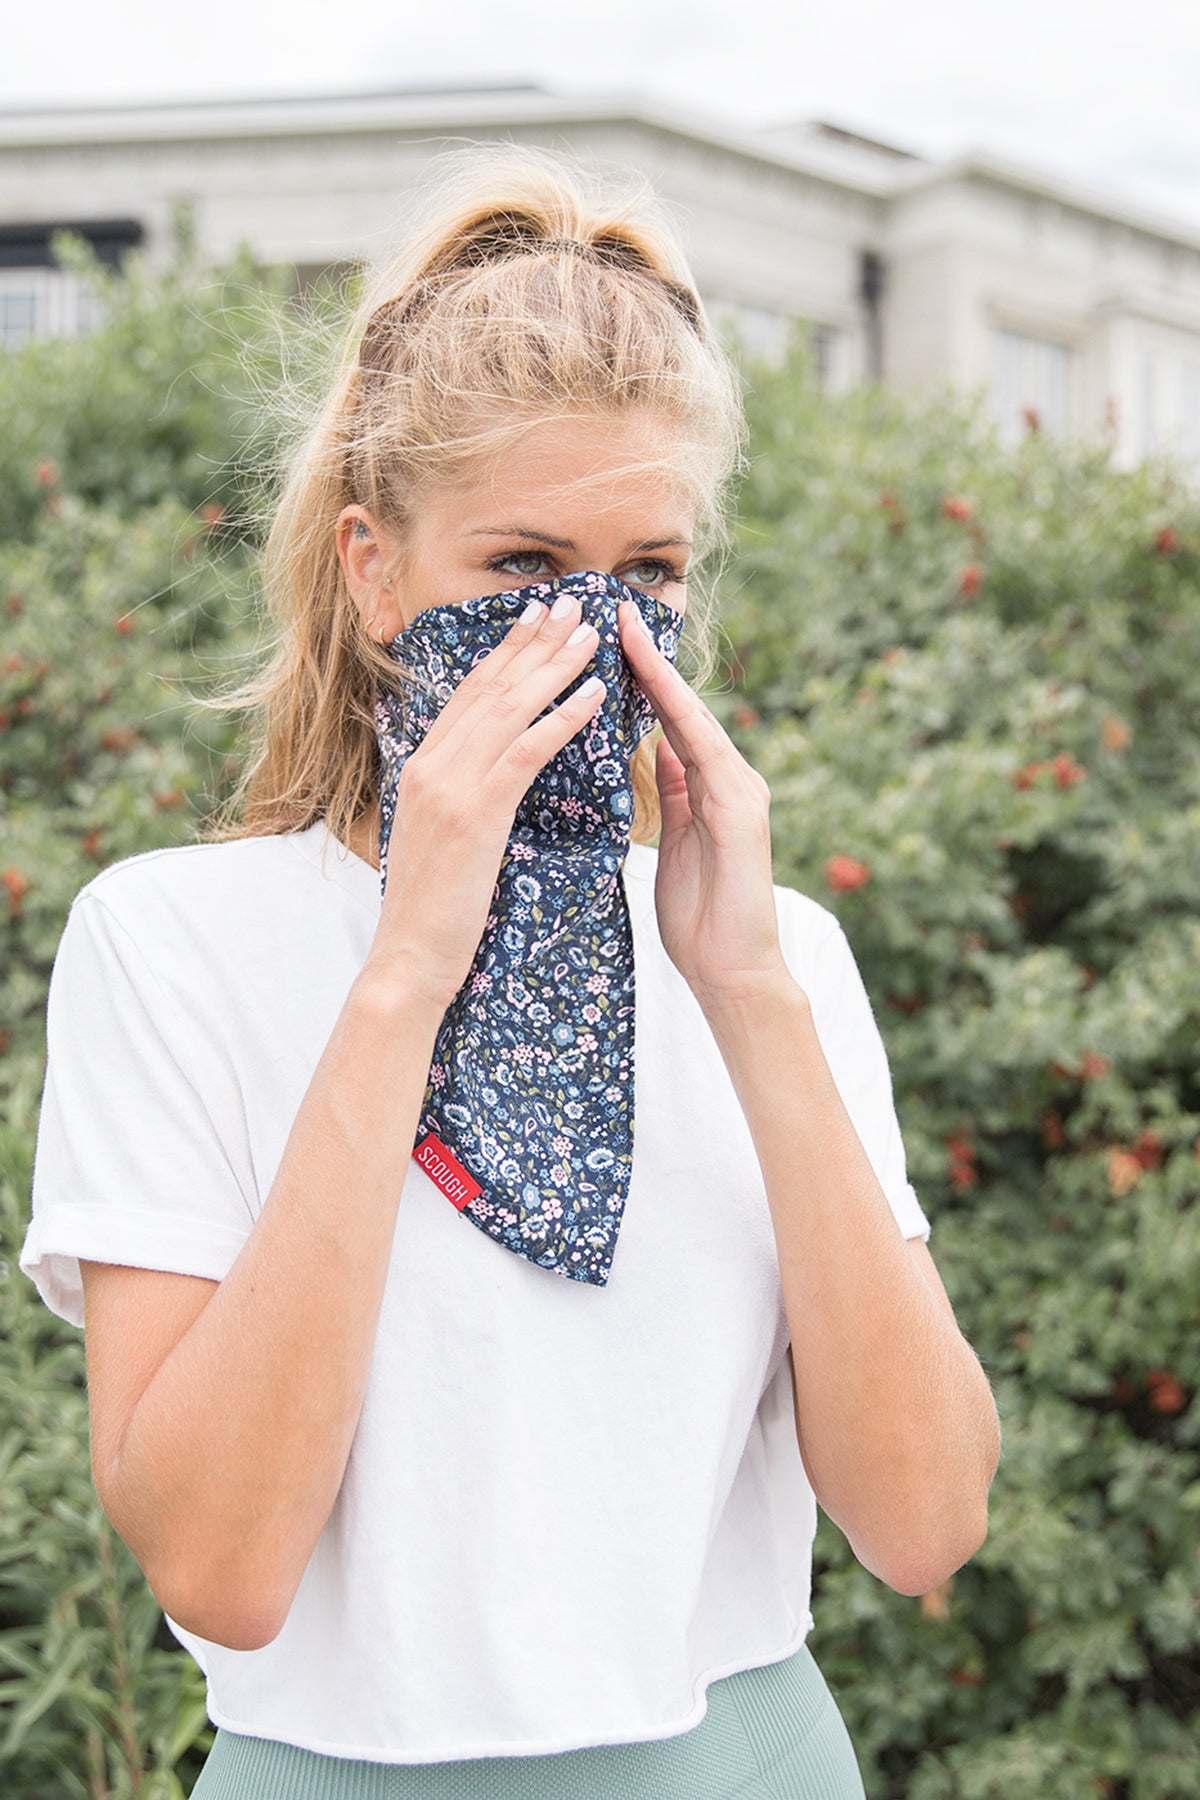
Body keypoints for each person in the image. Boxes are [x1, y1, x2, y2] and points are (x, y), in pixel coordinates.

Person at [20, 146, 1000, 1799]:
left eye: (651, 578)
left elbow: (925, 1524)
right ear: (372, 568)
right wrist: (408, 965)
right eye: (522, 570)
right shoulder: (171, 942)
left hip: (748, 1758)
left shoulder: (780, 959)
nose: (590, 635)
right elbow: (219, 1565)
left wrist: (748, 992)